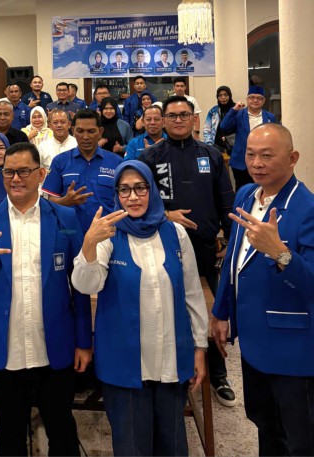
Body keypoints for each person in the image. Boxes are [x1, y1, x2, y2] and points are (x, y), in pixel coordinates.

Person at [0, 142, 92, 456]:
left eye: (24, 172)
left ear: (41, 174)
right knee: (10, 429)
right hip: (8, 344)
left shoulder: (65, 218)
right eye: (9, 173)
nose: (15, 179)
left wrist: (84, 340)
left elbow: (80, 285)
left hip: (54, 341)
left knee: (61, 427)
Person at [72, 160, 208, 456]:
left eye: (140, 188)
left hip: (170, 359)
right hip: (124, 364)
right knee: (132, 446)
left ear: (152, 190)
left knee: (172, 445)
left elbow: (192, 294)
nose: (132, 197)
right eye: (124, 190)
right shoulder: (108, 235)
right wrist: (89, 244)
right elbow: (86, 284)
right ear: (116, 195)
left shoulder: (175, 233)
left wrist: (199, 348)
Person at [212, 123, 314, 456]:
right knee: (265, 425)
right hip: (253, 340)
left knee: (298, 438)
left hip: (292, 348)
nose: (256, 163)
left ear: (293, 158)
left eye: (267, 156)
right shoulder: (246, 194)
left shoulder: (307, 209)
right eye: (251, 154)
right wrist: (221, 311)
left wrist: (281, 253)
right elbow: (233, 259)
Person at [139, 95, 237, 407]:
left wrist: (229, 241)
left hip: (205, 249)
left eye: (184, 115)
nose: (179, 120)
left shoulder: (211, 155)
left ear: (194, 119)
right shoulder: (149, 157)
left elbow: (227, 202)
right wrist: (166, 215)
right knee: (169, 311)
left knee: (213, 313)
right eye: (172, 115)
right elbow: (138, 203)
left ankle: (219, 374)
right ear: (163, 120)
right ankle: (175, 374)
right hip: (163, 247)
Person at [42, 108, 123, 233]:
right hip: (70, 233)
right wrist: (65, 201)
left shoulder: (116, 162)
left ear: (100, 132)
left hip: (107, 233)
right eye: (80, 131)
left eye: (91, 131)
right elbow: (50, 201)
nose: (85, 137)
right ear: (73, 130)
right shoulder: (60, 161)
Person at [220, 85, 276, 190]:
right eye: (252, 97)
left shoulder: (270, 117)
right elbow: (224, 126)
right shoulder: (239, 114)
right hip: (241, 161)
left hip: (263, 161)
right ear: (247, 99)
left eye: (259, 98)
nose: (255, 100)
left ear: (263, 101)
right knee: (242, 190)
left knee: (262, 189)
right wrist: (234, 110)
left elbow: (275, 136)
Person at [203, 85, 236, 152]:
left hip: (234, 146)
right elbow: (207, 129)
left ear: (230, 96)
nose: (223, 97)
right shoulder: (213, 111)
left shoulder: (236, 109)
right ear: (217, 97)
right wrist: (209, 145)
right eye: (220, 95)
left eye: (225, 95)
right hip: (216, 147)